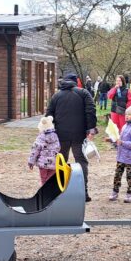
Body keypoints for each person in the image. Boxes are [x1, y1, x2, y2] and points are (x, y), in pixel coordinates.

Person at [46, 73, 97, 202]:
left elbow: (49, 115)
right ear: (76, 82)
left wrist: (50, 131)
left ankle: (59, 191)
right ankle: (83, 192)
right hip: (79, 134)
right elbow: (90, 111)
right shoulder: (84, 93)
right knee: (81, 162)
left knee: (61, 162)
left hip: (60, 135)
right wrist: (91, 129)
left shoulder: (56, 96)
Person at [106, 105, 131, 203]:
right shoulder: (125, 126)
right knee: (117, 174)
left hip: (130, 157)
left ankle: (129, 194)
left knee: (129, 175)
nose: (127, 116)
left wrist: (122, 143)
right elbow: (120, 139)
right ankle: (115, 192)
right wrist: (112, 140)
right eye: (126, 114)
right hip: (121, 156)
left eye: (130, 115)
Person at [28, 115, 61, 184]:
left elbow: (35, 150)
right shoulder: (55, 135)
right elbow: (58, 147)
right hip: (54, 162)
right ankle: (50, 191)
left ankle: (44, 192)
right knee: (51, 180)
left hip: (43, 163)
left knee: (44, 180)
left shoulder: (41, 137)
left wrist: (31, 161)